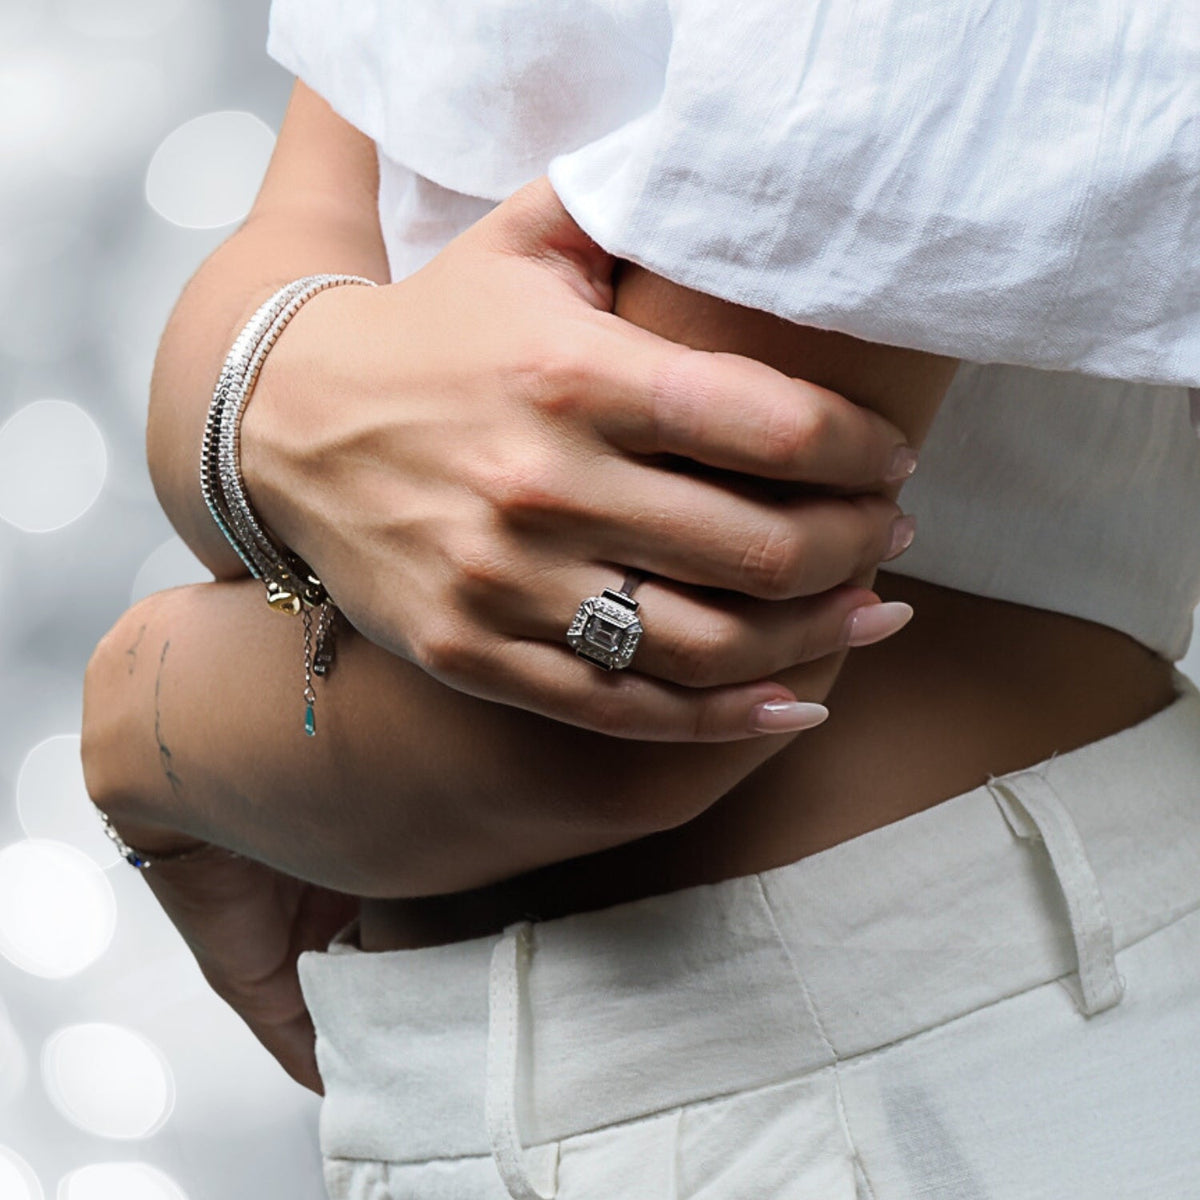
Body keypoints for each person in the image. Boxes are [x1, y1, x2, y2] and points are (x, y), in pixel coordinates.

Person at [82, 2, 1200, 1197]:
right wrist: (272, 421)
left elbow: (632, 711)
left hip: (933, 1064)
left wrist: (139, 721)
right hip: (470, 1084)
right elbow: (283, 273)